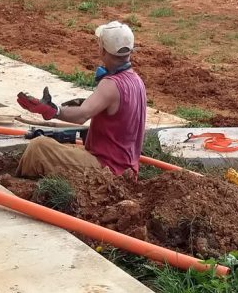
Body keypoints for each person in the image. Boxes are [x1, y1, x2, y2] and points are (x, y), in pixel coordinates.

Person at [16, 21, 147, 178]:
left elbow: (81, 116)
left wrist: (52, 110)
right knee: (65, 148)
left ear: (102, 50)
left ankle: (20, 188)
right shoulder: (136, 81)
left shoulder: (111, 85)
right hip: (126, 165)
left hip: (108, 168)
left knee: (38, 148)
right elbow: (118, 108)